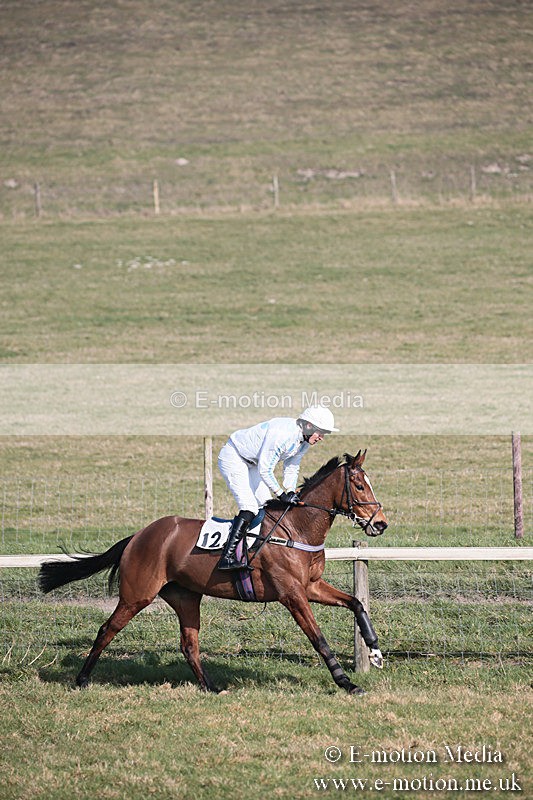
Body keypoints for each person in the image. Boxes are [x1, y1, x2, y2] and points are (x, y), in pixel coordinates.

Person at [217, 405, 338, 571]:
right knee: (250, 507)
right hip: (234, 457)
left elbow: (292, 466)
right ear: (309, 426)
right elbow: (265, 469)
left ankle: (254, 550)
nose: (322, 437)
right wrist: (281, 494)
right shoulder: (284, 435)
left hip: (253, 463)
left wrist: (290, 489)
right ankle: (227, 557)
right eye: (321, 432)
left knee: (265, 505)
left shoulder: (303, 440)